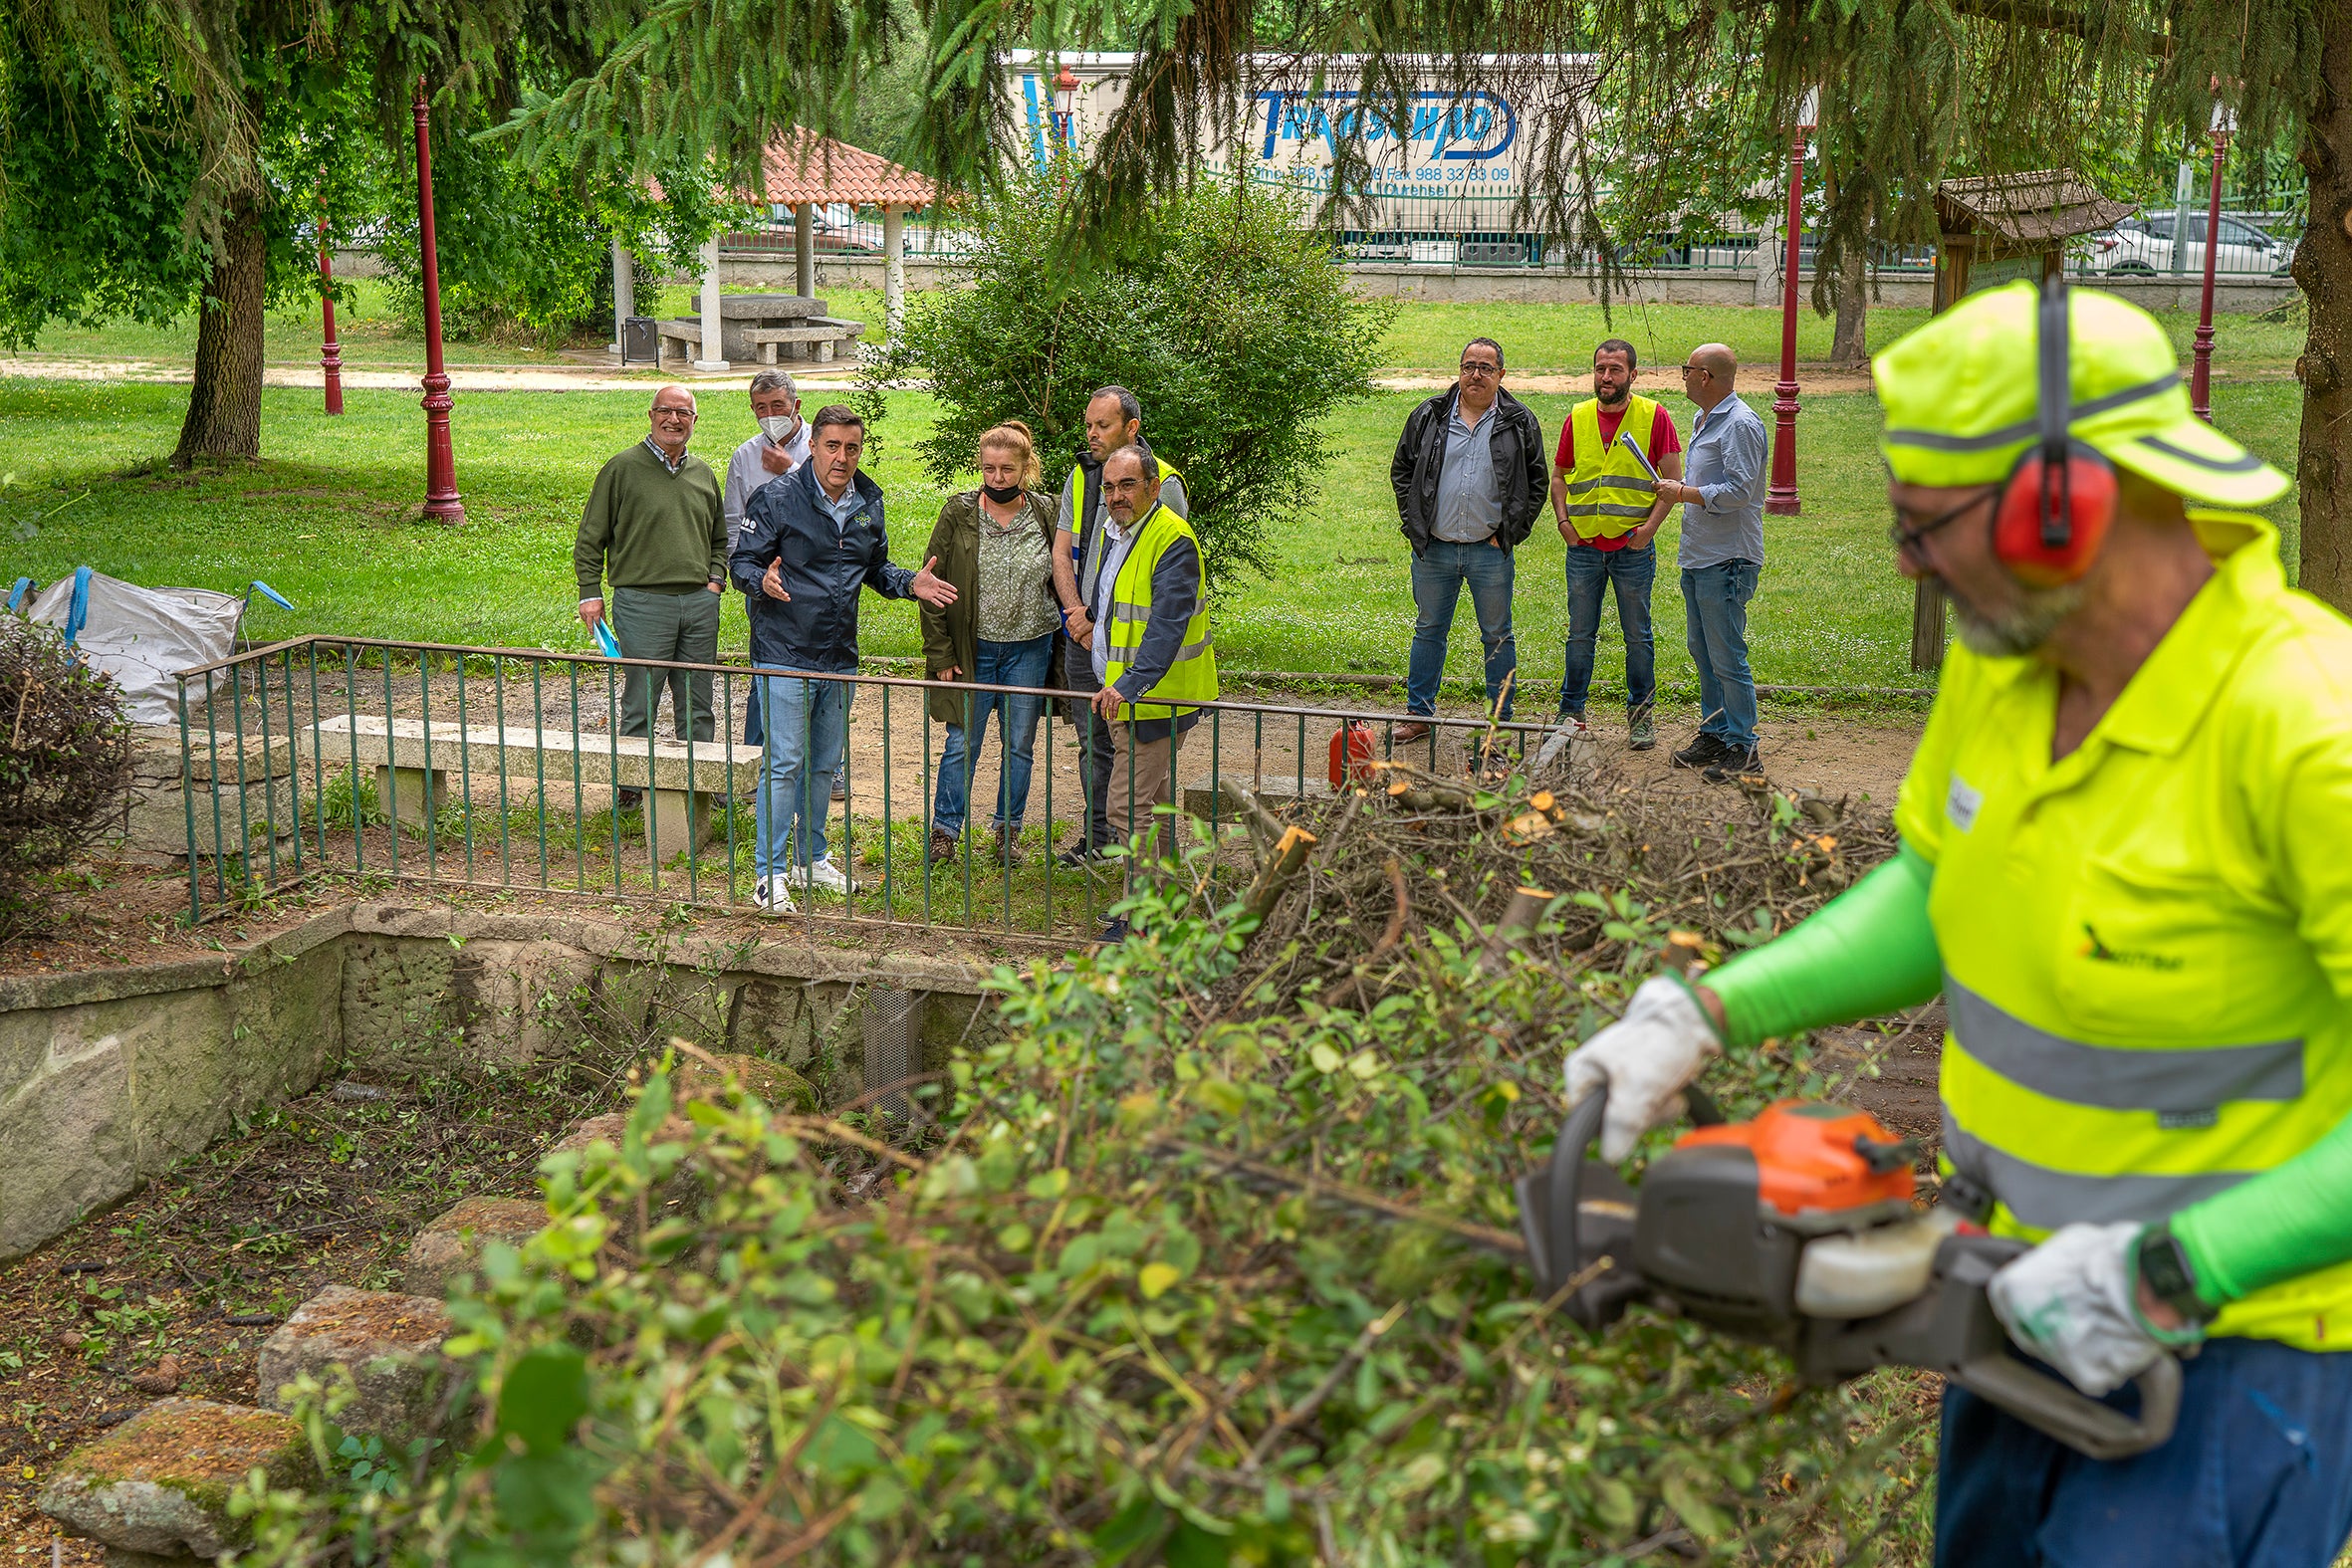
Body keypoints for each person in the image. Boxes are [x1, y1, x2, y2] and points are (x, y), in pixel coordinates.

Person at [1559, 280, 2352, 1566]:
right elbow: (1937, 885)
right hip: (2014, 1301)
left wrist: (2176, 1268)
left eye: (1930, 526)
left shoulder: (2303, 726)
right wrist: (1705, 1008)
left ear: (2063, 505)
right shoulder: (2007, 661)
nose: (1904, 559)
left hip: (2228, 1355)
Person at [731, 406, 956, 914]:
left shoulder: (867, 502)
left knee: (823, 767)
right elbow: (742, 560)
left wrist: (908, 584)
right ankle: (769, 874)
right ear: (813, 445)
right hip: (784, 653)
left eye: (851, 448)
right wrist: (758, 581)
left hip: (840, 657)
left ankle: (811, 859)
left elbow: (874, 568)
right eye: (832, 446)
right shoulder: (777, 497)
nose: (842, 457)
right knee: (785, 763)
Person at [1053, 386, 1189, 866]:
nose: (1091, 433)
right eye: (1088, 424)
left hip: (1145, 675)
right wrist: (1078, 615)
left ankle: (1142, 918)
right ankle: (1109, 848)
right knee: (1099, 746)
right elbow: (1068, 552)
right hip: (1090, 641)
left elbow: (1161, 597)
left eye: (1102, 425)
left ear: (1131, 428)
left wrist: (1130, 676)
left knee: (1134, 801)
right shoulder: (1085, 479)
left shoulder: (1163, 492)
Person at [1389, 336, 1548, 744]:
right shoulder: (1429, 416)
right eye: (1468, 366)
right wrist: (1415, 525)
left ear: (1501, 375)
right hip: (1434, 547)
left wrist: (1511, 532)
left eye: (1485, 368)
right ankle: (1419, 713)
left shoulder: (1519, 421)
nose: (1475, 374)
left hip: (1489, 550)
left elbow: (1536, 483)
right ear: (1459, 370)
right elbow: (1402, 470)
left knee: (1497, 634)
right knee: (1428, 629)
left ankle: (1500, 722)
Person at [576, 385, 728, 809]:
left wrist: (715, 581)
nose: (673, 419)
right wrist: (590, 593)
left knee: (698, 699)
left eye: (683, 413)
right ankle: (632, 787)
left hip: (698, 603)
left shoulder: (703, 473)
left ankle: (698, 783)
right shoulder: (622, 469)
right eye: (665, 411)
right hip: (642, 602)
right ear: (651, 414)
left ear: (695, 421)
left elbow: (719, 538)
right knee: (641, 698)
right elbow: (591, 538)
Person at [1087, 445, 1216, 945]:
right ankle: (1164, 908)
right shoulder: (1119, 532)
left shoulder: (1171, 539)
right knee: (1155, 807)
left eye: (1127, 486)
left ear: (1152, 488)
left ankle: (1140, 920)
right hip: (1128, 695)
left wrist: (1128, 684)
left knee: (1125, 808)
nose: (1117, 496)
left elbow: (1166, 625)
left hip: (1154, 700)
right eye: (1110, 487)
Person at [919, 421, 1061, 866]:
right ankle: (945, 830)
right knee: (963, 742)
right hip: (972, 649)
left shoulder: (1048, 513)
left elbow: (1067, 572)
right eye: (989, 469)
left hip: (1030, 647)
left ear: (1026, 467)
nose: (997, 478)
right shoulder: (958, 513)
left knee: (1020, 744)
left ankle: (1008, 831)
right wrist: (940, 652)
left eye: (1007, 469)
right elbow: (930, 582)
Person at [1551, 338, 1679, 749]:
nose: (1606, 377)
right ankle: (1571, 712)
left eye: (1616, 370)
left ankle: (1641, 718)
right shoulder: (1578, 416)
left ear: (1633, 374)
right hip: (1584, 548)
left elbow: (1672, 484)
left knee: (1637, 636)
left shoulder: (1653, 416)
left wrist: (1649, 532)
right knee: (1579, 634)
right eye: (1601, 369)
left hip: (1632, 550)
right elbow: (1559, 477)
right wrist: (1564, 522)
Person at [1649, 342, 1768, 781]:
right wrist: (1684, 490)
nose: (1681, 376)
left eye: (1687, 369)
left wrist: (1682, 493)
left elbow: (1740, 491)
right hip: (1701, 555)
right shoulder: (1706, 420)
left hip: (1728, 557)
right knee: (1703, 650)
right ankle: (1716, 733)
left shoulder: (1740, 424)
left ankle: (1744, 745)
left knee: (1727, 653)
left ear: (1704, 377)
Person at [721, 369, 812, 751]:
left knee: (822, 673)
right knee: (765, 671)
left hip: (815, 578)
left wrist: (788, 470)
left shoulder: (820, 446)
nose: (769, 414)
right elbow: (732, 521)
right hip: (762, 582)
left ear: (796, 405)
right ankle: (754, 760)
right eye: (761, 408)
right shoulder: (745, 455)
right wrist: (744, 573)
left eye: (777, 405)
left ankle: (827, 764)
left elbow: (835, 502)